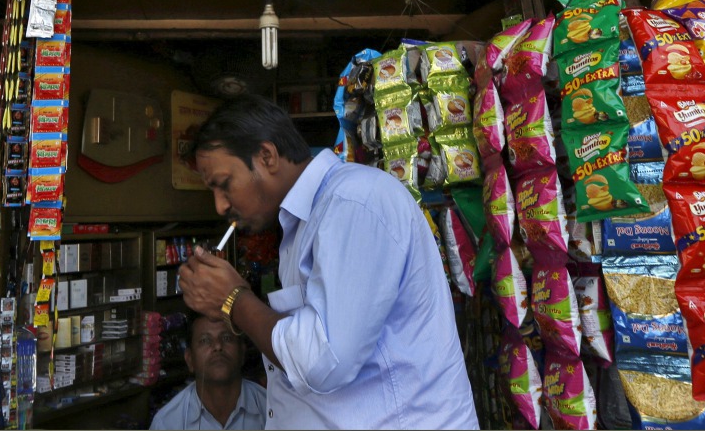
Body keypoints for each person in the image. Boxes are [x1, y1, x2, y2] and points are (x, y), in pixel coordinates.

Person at [176, 95, 478, 430]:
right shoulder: (305, 222)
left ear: (266, 156)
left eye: (224, 185)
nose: (219, 206)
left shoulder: (352, 202)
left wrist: (233, 299)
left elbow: (325, 361)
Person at [149, 314, 268, 430]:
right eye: (205, 340)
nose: (217, 346)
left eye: (226, 338)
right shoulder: (167, 423)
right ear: (190, 359)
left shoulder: (270, 408)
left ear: (242, 353)